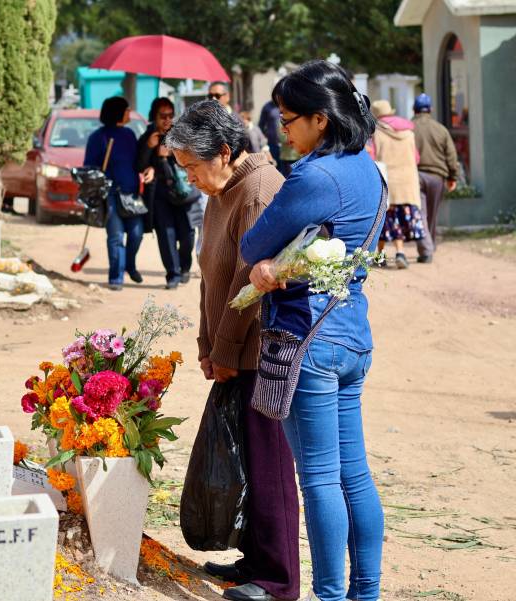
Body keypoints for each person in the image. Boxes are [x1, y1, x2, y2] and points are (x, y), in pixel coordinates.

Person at [240, 60, 384, 601]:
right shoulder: (368, 168)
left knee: (321, 479)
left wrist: (268, 266)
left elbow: (252, 246)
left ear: (321, 120)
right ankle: (364, 593)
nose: (284, 129)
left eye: (290, 118)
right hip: (351, 335)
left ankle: (328, 595)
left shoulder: (313, 176)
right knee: (355, 476)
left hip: (310, 339)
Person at [166, 100, 300, 601]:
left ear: (224, 152)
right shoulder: (219, 193)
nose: (189, 179)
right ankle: (254, 562)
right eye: (183, 169)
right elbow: (212, 278)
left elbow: (250, 286)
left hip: (262, 347)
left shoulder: (260, 191)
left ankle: (280, 582)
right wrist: (207, 344)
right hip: (229, 349)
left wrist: (223, 348)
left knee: (270, 464)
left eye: (193, 167)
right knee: (244, 456)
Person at [84, 96, 152, 291]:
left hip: (131, 195)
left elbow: (138, 161)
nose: (129, 112)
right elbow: (89, 168)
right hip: (110, 195)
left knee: (137, 233)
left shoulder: (129, 134)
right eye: (127, 110)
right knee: (115, 236)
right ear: (118, 113)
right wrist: (100, 173)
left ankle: (129, 265)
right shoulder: (98, 138)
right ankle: (116, 277)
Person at [136, 98, 196, 289]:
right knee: (166, 234)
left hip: (183, 192)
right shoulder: (148, 136)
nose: (167, 120)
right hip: (160, 194)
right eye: (163, 116)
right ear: (154, 116)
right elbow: (139, 165)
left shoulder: (180, 135)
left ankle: (185, 267)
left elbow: (193, 159)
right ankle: (173, 274)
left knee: (187, 234)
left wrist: (170, 153)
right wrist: (150, 148)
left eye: (171, 115)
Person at [368, 99, 431, 268]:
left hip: (389, 181)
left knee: (387, 219)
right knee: (394, 220)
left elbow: (372, 157)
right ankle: (380, 255)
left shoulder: (377, 133)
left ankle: (399, 253)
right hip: (407, 182)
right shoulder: (409, 133)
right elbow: (416, 157)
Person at [412, 93, 460, 250]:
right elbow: (451, 155)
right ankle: (429, 245)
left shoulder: (409, 128)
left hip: (415, 176)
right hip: (436, 178)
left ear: (414, 109)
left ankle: (426, 247)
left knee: (420, 213)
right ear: (430, 109)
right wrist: (453, 176)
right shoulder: (441, 129)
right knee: (431, 215)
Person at [258, 100, 282, 170]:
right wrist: (267, 134)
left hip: (287, 146)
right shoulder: (267, 107)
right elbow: (261, 125)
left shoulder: (286, 104)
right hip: (273, 144)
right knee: (275, 167)